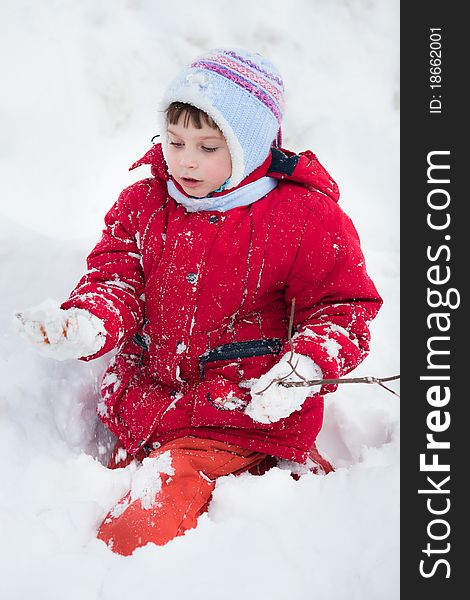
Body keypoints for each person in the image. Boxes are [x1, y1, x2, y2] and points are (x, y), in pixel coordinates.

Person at [15, 48, 382, 555]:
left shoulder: (303, 217)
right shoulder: (144, 205)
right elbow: (116, 280)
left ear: (251, 147)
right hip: (150, 399)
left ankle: (115, 573)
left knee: (157, 505)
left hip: (240, 406)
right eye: (175, 140)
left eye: (209, 146)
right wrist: (84, 323)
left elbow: (342, 309)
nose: (185, 159)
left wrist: (305, 368)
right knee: (102, 483)